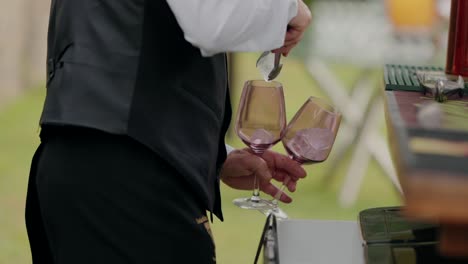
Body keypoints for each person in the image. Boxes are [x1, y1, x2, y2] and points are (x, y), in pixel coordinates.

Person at [25, 0, 312, 263]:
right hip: (130, 186)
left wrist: (214, 157)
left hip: (77, 169)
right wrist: (288, 9)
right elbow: (209, 19)